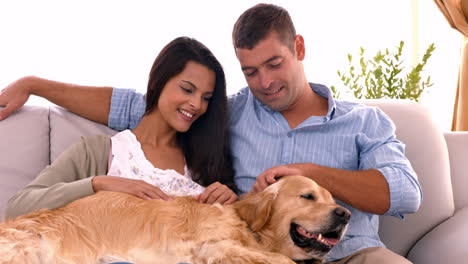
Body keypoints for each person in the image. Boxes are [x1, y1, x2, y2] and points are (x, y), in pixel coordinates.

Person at [0, 3, 422, 264]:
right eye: (251, 71)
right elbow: (143, 106)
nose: (265, 82)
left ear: (299, 49)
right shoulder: (231, 112)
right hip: (252, 251)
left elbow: (404, 194)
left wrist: (309, 175)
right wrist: (34, 84)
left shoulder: (364, 121)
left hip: (355, 254)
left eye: (274, 64)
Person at [4, 36, 238, 219]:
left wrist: (229, 198)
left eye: (206, 97)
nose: (197, 104)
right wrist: (99, 183)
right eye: (187, 90)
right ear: (158, 81)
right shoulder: (99, 151)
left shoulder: (205, 159)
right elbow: (18, 207)